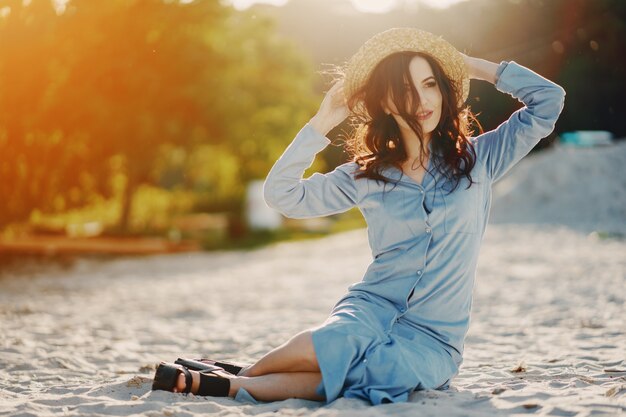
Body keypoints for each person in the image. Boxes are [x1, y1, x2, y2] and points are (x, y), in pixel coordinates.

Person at [151, 27, 566, 405]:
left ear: (443, 90)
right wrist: (321, 123)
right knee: (334, 342)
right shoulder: (366, 175)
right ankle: (239, 379)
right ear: (384, 100)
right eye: (406, 88)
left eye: (430, 84)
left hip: (433, 338)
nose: (422, 101)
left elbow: (549, 101)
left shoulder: (480, 159)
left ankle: (235, 378)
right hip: (370, 309)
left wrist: (471, 67)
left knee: (383, 374)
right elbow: (282, 195)